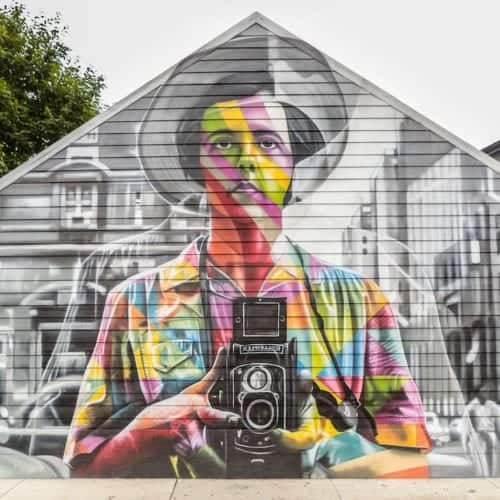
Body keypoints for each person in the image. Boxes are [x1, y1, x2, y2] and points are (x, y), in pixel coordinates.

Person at [63, 37, 432, 478]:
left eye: (268, 143)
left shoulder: (356, 302)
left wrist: (333, 447)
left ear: (294, 163)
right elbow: (84, 471)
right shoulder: (136, 302)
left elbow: (412, 465)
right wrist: (142, 433)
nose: (248, 162)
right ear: (195, 163)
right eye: (223, 144)